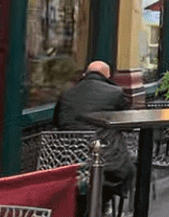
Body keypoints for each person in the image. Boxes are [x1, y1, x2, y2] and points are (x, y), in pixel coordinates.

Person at [53, 60, 136, 191]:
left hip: (66, 156)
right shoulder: (115, 92)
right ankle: (103, 204)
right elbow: (126, 123)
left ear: (86, 73)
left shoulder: (67, 93)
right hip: (104, 157)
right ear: (108, 75)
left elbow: (57, 122)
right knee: (126, 168)